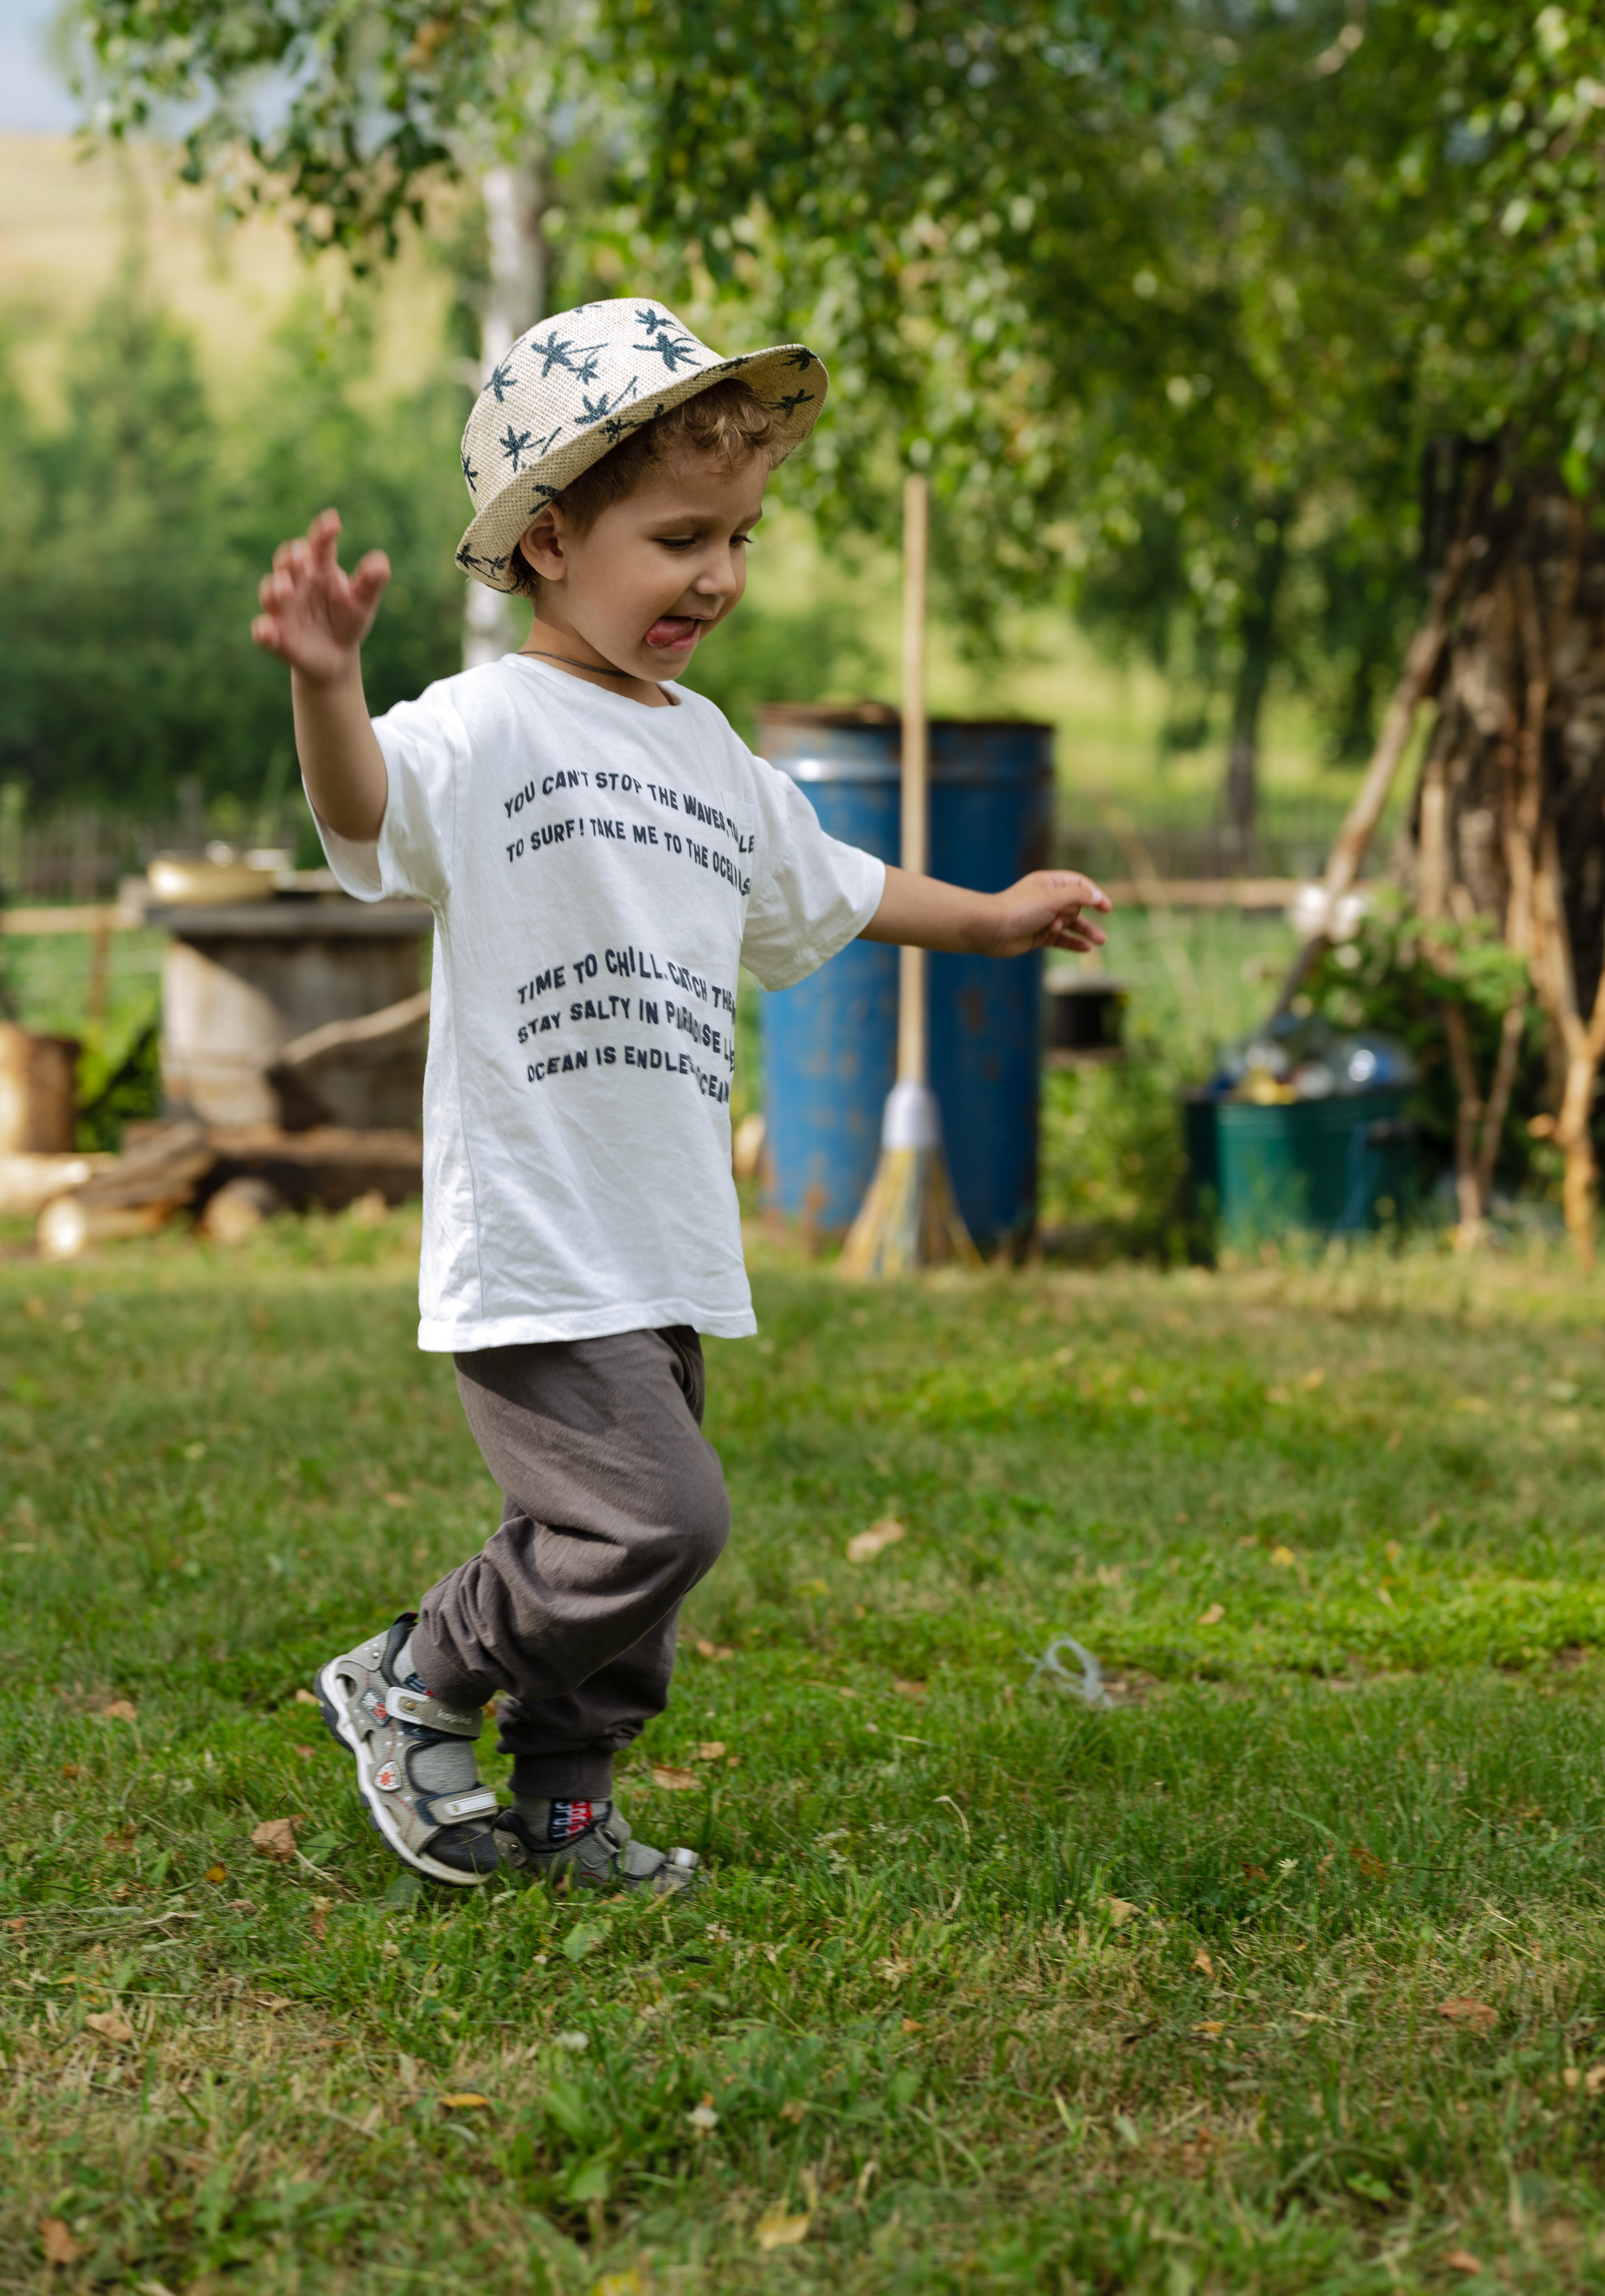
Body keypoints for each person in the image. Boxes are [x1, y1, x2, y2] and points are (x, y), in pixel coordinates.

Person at [253, 296, 1109, 1895]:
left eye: (738, 537)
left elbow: (837, 886)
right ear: (551, 542)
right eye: (676, 537)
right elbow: (367, 815)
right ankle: (415, 1675)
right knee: (655, 1517)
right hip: (535, 1232)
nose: (715, 574)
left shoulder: (711, 754)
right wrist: (322, 687)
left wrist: (989, 918)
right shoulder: (491, 722)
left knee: (636, 1571)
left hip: (661, 1231)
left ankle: (562, 1811)